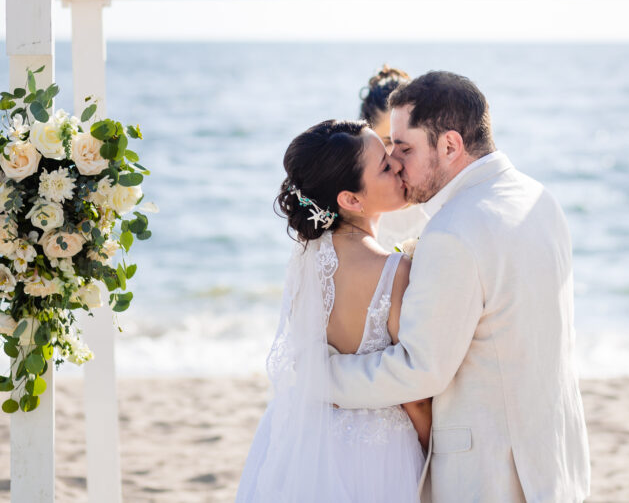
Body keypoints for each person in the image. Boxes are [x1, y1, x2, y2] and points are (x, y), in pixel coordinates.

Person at [329, 71, 591, 502]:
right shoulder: (539, 198)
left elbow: (420, 370)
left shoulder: (452, 233)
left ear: (450, 145)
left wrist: (325, 376)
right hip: (554, 462)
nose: (393, 161)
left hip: (492, 476)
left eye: (405, 147)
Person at [235, 120, 429, 502]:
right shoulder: (394, 272)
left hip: (303, 438)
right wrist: (427, 446)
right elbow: (415, 392)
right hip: (379, 451)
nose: (398, 167)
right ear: (351, 200)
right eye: (385, 167)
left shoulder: (306, 260)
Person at [359, 65, 430, 251]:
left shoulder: (443, 205)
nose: (398, 158)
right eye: (388, 142)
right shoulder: (352, 213)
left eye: (408, 144)